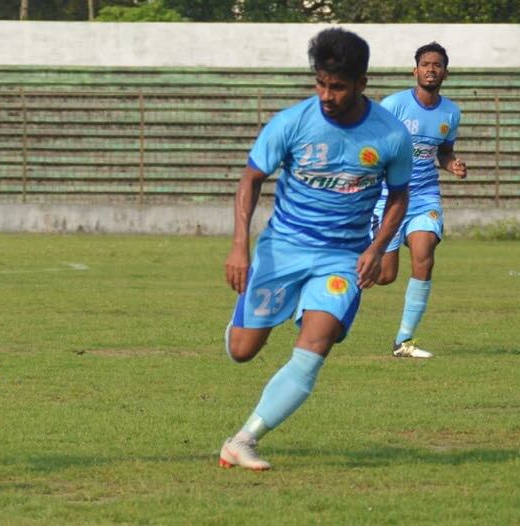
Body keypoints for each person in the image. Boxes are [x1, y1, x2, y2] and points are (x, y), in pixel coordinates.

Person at [219, 28, 411, 471]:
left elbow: (400, 196)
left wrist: (379, 246)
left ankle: (244, 439)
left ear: (361, 83)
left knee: (315, 345)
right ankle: (248, 318)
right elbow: (251, 178)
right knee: (243, 350)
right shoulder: (292, 123)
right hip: (281, 250)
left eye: (338, 86)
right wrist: (238, 247)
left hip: (343, 257)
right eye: (321, 83)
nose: (327, 94)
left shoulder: (390, 134)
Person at [372, 42, 466, 359]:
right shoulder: (394, 105)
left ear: (445, 73)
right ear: (415, 70)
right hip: (388, 198)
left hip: (425, 196)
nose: (430, 69)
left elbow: (443, 151)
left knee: (424, 254)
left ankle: (404, 341)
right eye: (425, 64)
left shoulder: (451, 112)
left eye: (437, 64)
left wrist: (451, 164)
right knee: (384, 276)